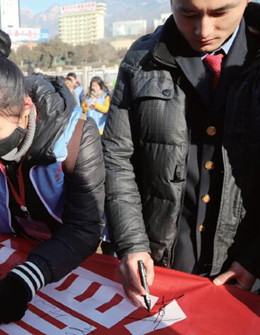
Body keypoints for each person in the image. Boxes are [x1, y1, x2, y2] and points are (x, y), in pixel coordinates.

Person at [0, 28, 105, 328]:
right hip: (12, 245)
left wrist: (26, 278)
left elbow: (85, 227)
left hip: (65, 255)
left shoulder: (77, 135)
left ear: (25, 108)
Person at [103, 0, 260, 308]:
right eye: (188, 14)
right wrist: (132, 244)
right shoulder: (142, 60)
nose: (204, 30)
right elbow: (117, 159)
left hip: (243, 261)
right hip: (163, 260)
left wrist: (255, 258)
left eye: (219, 13)